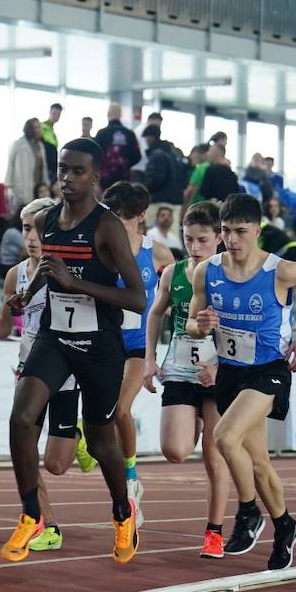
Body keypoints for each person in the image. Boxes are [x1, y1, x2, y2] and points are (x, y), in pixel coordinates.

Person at [0, 138, 148, 564]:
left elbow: (137, 299)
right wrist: (26, 296)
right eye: (62, 168)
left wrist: (75, 283)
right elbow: (50, 269)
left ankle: (123, 510)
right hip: (55, 338)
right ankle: (32, 515)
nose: (67, 177)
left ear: (95, 177)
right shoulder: (47, 220)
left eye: (77, 171)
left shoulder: (107, 227)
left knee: (102, 443)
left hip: (100, 347)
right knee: (21, 417)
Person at [187, 192, 296, 565]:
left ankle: (247, 512)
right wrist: (201, 325)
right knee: (257, 462)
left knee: (224, 436)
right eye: (226, 231)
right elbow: (192, 324)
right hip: (230, 372)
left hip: (269, 371)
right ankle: (284, 524)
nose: (233, 240)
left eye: (241, 231)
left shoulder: (281, 270)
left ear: (258, 230)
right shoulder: (206, 271)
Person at [0, 197, 88, 552]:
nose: (32, 237)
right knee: (23, 444)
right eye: (26, 229)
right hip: (30, 369)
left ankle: (81, 435)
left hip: (68, 371)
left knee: (56, 463)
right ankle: (45, 523)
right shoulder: (16, 274)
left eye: (40, 230)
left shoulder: (70, 267)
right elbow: (6, 327)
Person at [143, 200, 231, 558]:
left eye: (203, 241)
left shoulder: (231, 275)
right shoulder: (173, 272)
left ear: (219, 240)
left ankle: (214, 531)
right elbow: (155, 313)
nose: (194, 248)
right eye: (188, 239)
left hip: (220, 365)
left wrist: (221, 366)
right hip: (180, 364)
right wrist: (149, 358)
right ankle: (192, 418)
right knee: (176, 451)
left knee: (214, 454)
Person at [102, 181, 175, 528]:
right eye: (112, 215)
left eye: (123, 217)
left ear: (140, 216)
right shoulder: (100, 249)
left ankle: (131, 478)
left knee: (121, 410)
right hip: (102, 342)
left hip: (137, 345)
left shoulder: (157, 253)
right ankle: (120, 475)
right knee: (101, 418)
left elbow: (175, 298)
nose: (117, 222)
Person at [5, 118, 46, 216]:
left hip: (37, 186)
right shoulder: (18, 144)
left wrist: (46, 184)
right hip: (21, 186)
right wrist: (8, 186)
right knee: (21, 215)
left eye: (39, 127)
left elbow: (43, 167)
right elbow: (10, 165)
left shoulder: (40, 145)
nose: (39, 130)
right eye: (36, 127)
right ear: (29, 129)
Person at [93, 103, 139, 189]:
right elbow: (137, 156)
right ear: (120, 115)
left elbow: (95, 155)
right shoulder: (130, 134)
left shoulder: (101, 133)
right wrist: (126, 164)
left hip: (105, 179)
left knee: (105, 202)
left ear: (108, 114)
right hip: (124, 178)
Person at [196, 139, 242, 204]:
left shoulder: (210, 170)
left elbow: (204, 192)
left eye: (209, 151)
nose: (207, 153)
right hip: (227, 208)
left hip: (213, 207)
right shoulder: (232, 174)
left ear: (215, 154)